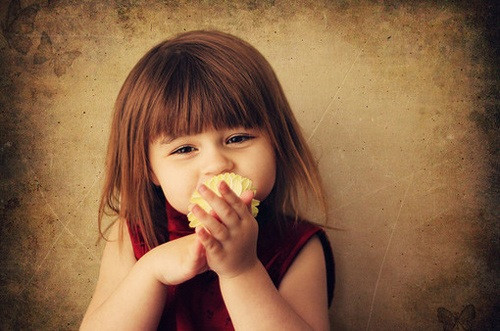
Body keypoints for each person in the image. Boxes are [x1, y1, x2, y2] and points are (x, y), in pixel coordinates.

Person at [81, 30, 334, 330]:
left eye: (237, 138)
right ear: (148, 169)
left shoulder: (297, 245)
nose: (216, 164)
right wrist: (150, 270)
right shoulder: (133, 236)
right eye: (185, 149)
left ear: (276, 143)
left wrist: (241, 272)